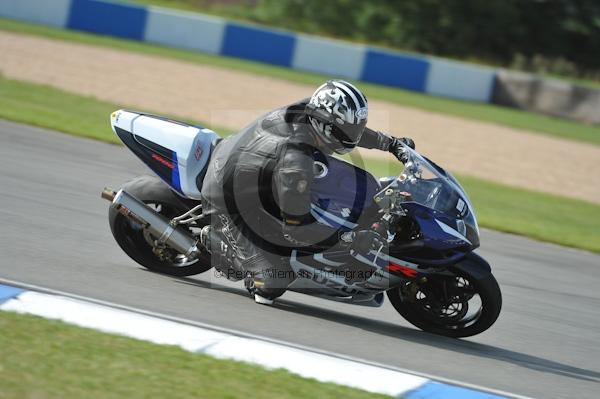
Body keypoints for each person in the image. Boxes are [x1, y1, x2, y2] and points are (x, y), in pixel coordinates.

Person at [200, 80, 415, 304]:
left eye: (356, 128)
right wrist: (349, 239)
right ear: (325, 125)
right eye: (351, 130)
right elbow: (297, 229)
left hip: (256, 170)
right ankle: (219, 243)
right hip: (227, 196)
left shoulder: (312, 111)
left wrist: (391, 144)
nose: (355, 135)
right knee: (272, 282)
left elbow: (348, 129)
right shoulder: (296, 161)